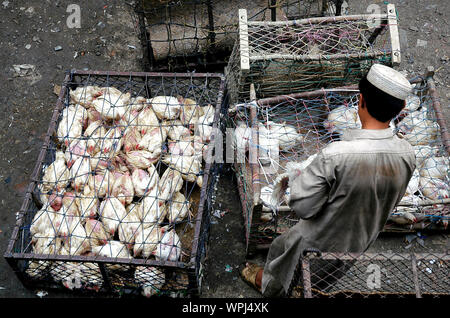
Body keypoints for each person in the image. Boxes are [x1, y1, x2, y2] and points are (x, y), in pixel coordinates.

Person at [240, 63, 416, 297]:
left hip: (317, 239)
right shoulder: (407, 154)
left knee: (288, 262)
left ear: (360, 100)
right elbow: (391, 200)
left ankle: (270, 286)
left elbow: (303, 207)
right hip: (361, 238)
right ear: (401, 108)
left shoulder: (337, 155)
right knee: (324, 276)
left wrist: (299, 182)